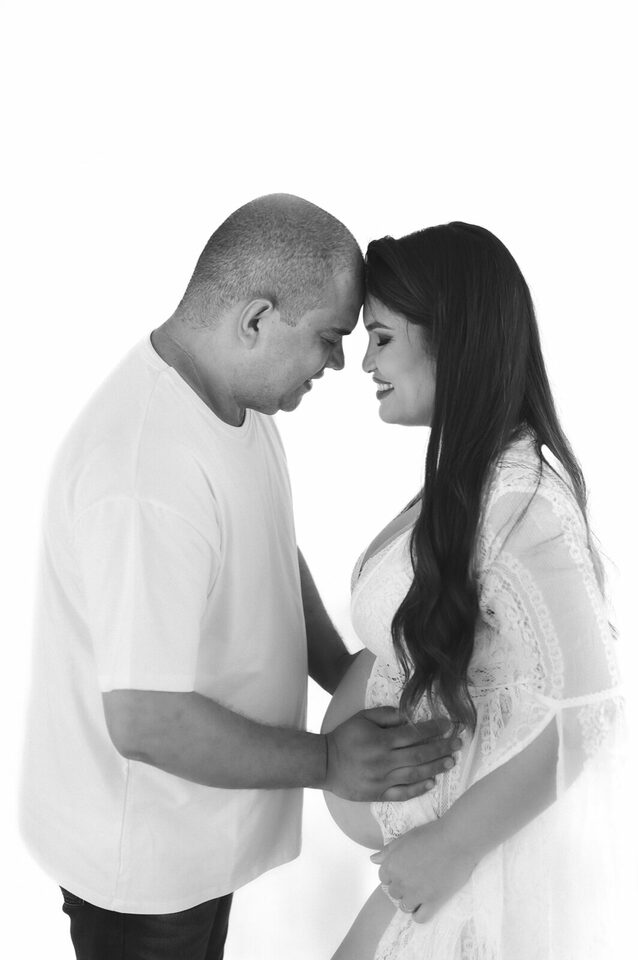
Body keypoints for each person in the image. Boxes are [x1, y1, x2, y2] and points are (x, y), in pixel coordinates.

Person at [19, 195, 460, 960]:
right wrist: (328, 761)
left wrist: (343, 672)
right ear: (256, 319)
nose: (339, 364)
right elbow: (146, 721)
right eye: (329, 337)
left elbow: (265, 547)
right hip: (143, 871)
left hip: (194, 834)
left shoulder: (235, 401)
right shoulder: (145, 473)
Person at [325, 222, 630, 959]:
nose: (365, 361)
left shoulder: (520, 502)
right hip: (438, 867)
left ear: (452, 339)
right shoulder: (471, 483)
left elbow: (591, 707)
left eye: (382, 338)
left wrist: (451, 846)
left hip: (472, 876)